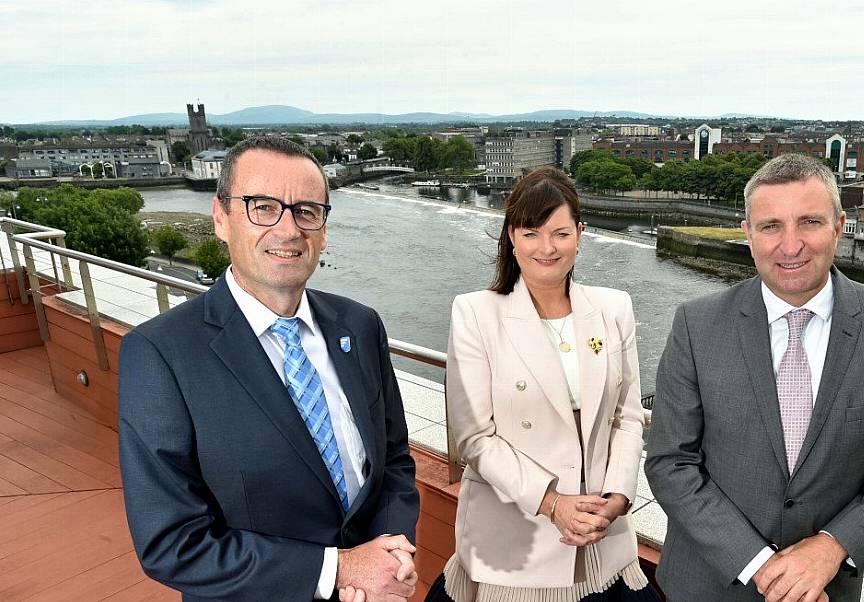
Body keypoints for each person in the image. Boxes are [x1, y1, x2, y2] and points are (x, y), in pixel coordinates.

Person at [118, 136, 420, 601]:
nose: (288, 228)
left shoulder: (360, 326)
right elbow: (171, 542)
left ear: (323, 227)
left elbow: (394, 459)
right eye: (263, 206)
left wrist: (389, 556)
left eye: (306, 210)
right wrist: (339, 570)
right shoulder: (160, 354)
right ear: (220, 217)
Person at [645, 153, 864, 602]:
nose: (790, 245)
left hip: (826, 589)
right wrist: (761, 566)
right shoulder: (696, 325)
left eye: (809, 222)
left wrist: (832, 547)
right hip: (705, 587)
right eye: (770, 226)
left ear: (839, 226)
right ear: (747, 234)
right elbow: (670, 462)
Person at [430, 167, 658, 602]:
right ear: (511, 236)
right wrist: (553, 503)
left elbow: (628, 417)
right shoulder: (475, 314)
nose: (547, 248)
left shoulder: (614, 308)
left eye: (560, 233)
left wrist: (617, 497)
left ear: (580, 233)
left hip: (601, 538)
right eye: (531, 233)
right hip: (516, 537)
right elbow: (475, 437)